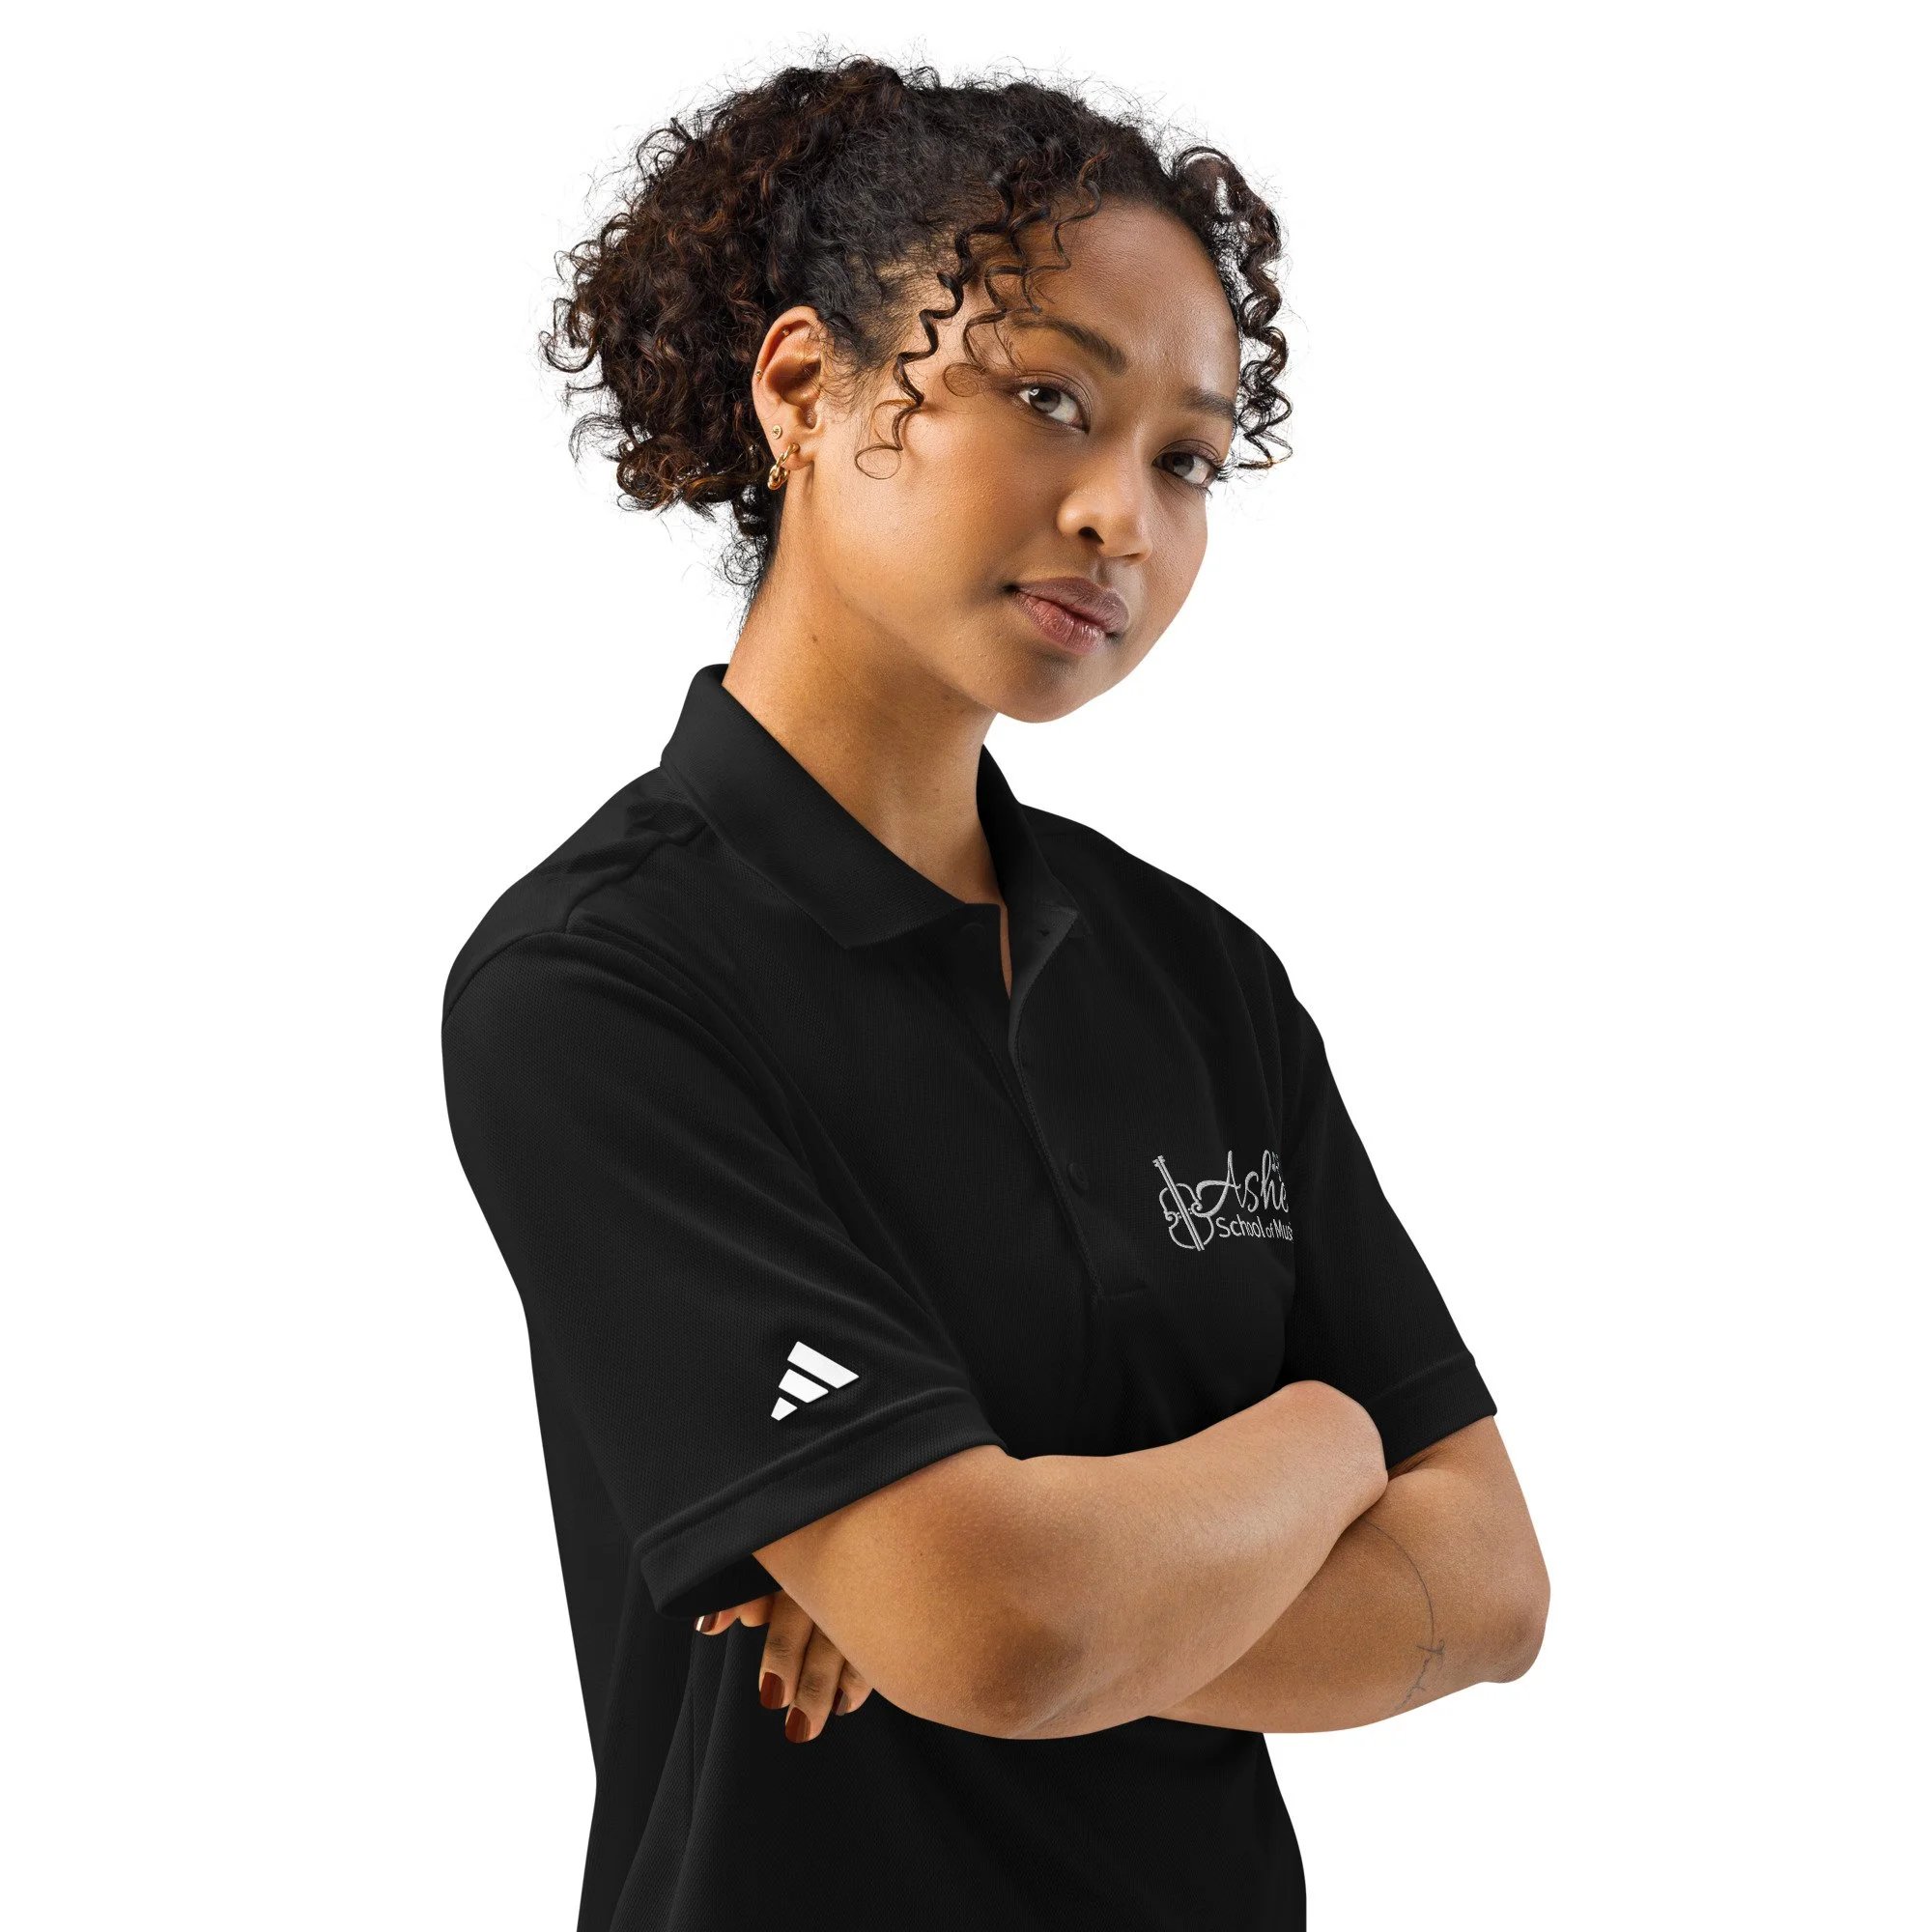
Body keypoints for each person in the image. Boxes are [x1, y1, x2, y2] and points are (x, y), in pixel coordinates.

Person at [440, 52, 1548, 1932]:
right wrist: (1321, 1445)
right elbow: (999, 1624)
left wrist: (1037, 1593)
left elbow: (1490, 1588)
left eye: (1187, 459)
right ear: (803, 388)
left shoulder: (1202, 981)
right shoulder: (595, 986)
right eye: (1050, 398)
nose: (1125, 515)